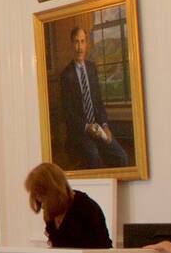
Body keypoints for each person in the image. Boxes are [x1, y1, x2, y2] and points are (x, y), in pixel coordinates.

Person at [50, 27, 129, 170]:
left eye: (82, 41)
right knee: (95, 157)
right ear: (71, 45)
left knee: (122, 157)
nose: (80, 47)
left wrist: (105, 125)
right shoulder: (66, 75)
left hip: (99, 129)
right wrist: (87, 127)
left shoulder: (92, 68)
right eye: (76, 42)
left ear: (87, 44)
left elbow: (98, 101)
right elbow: (68, 113)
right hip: (80, 133)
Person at [23, 162, 113, 249]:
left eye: (41, 194)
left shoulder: (85, 207)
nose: (38, 199)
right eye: (36, 195)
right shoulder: (51, 210)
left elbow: (99, 247)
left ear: (53, 190)